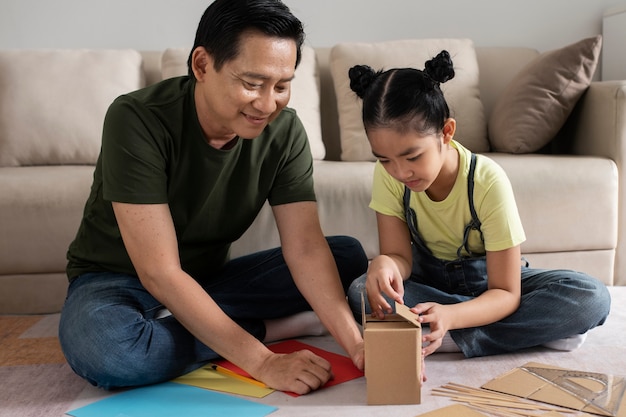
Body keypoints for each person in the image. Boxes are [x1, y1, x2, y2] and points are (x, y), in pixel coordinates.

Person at [59, 0, 367, 395]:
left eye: (282, 86)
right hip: (118, 280)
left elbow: (306, 248)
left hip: (207, 281)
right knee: (110, 351)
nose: (267, 103)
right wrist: (262, 360)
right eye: (252, 84)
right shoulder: (136, 118)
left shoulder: (285, 132)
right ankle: (264, 330)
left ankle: (187, 322)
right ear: (202, 65)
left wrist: (358, 347)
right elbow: (160, 271)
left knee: (346, 257)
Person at [346, 51, 611, 359]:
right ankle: (519, 333)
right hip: (429, 281)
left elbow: (506, 293)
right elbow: (398, 257)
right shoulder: (389, 175)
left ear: (446, 132)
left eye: (413, 157)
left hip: (492, 285)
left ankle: (448, 335)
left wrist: (452, 316)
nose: (400, 172)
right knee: (362, 290)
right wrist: (385, 264)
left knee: (591, 297)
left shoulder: (487, 181)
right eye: (385, 160)